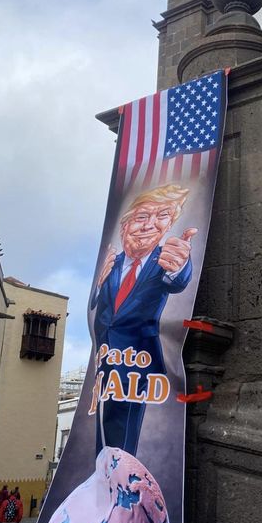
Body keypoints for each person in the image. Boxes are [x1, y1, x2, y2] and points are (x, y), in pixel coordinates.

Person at [90, 184, 197, 455]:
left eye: (162, 216)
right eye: (141, 217)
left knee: (122, 443)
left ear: (169, 224)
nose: (150, 225)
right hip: (104, 366)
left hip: (138, 366)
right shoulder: (111, 263)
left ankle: (123, 491)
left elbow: (176, 280)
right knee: (100, 440)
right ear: (125, 225)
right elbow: (100, 310)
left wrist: (182, 265)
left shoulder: (164, 260)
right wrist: (97, 290)